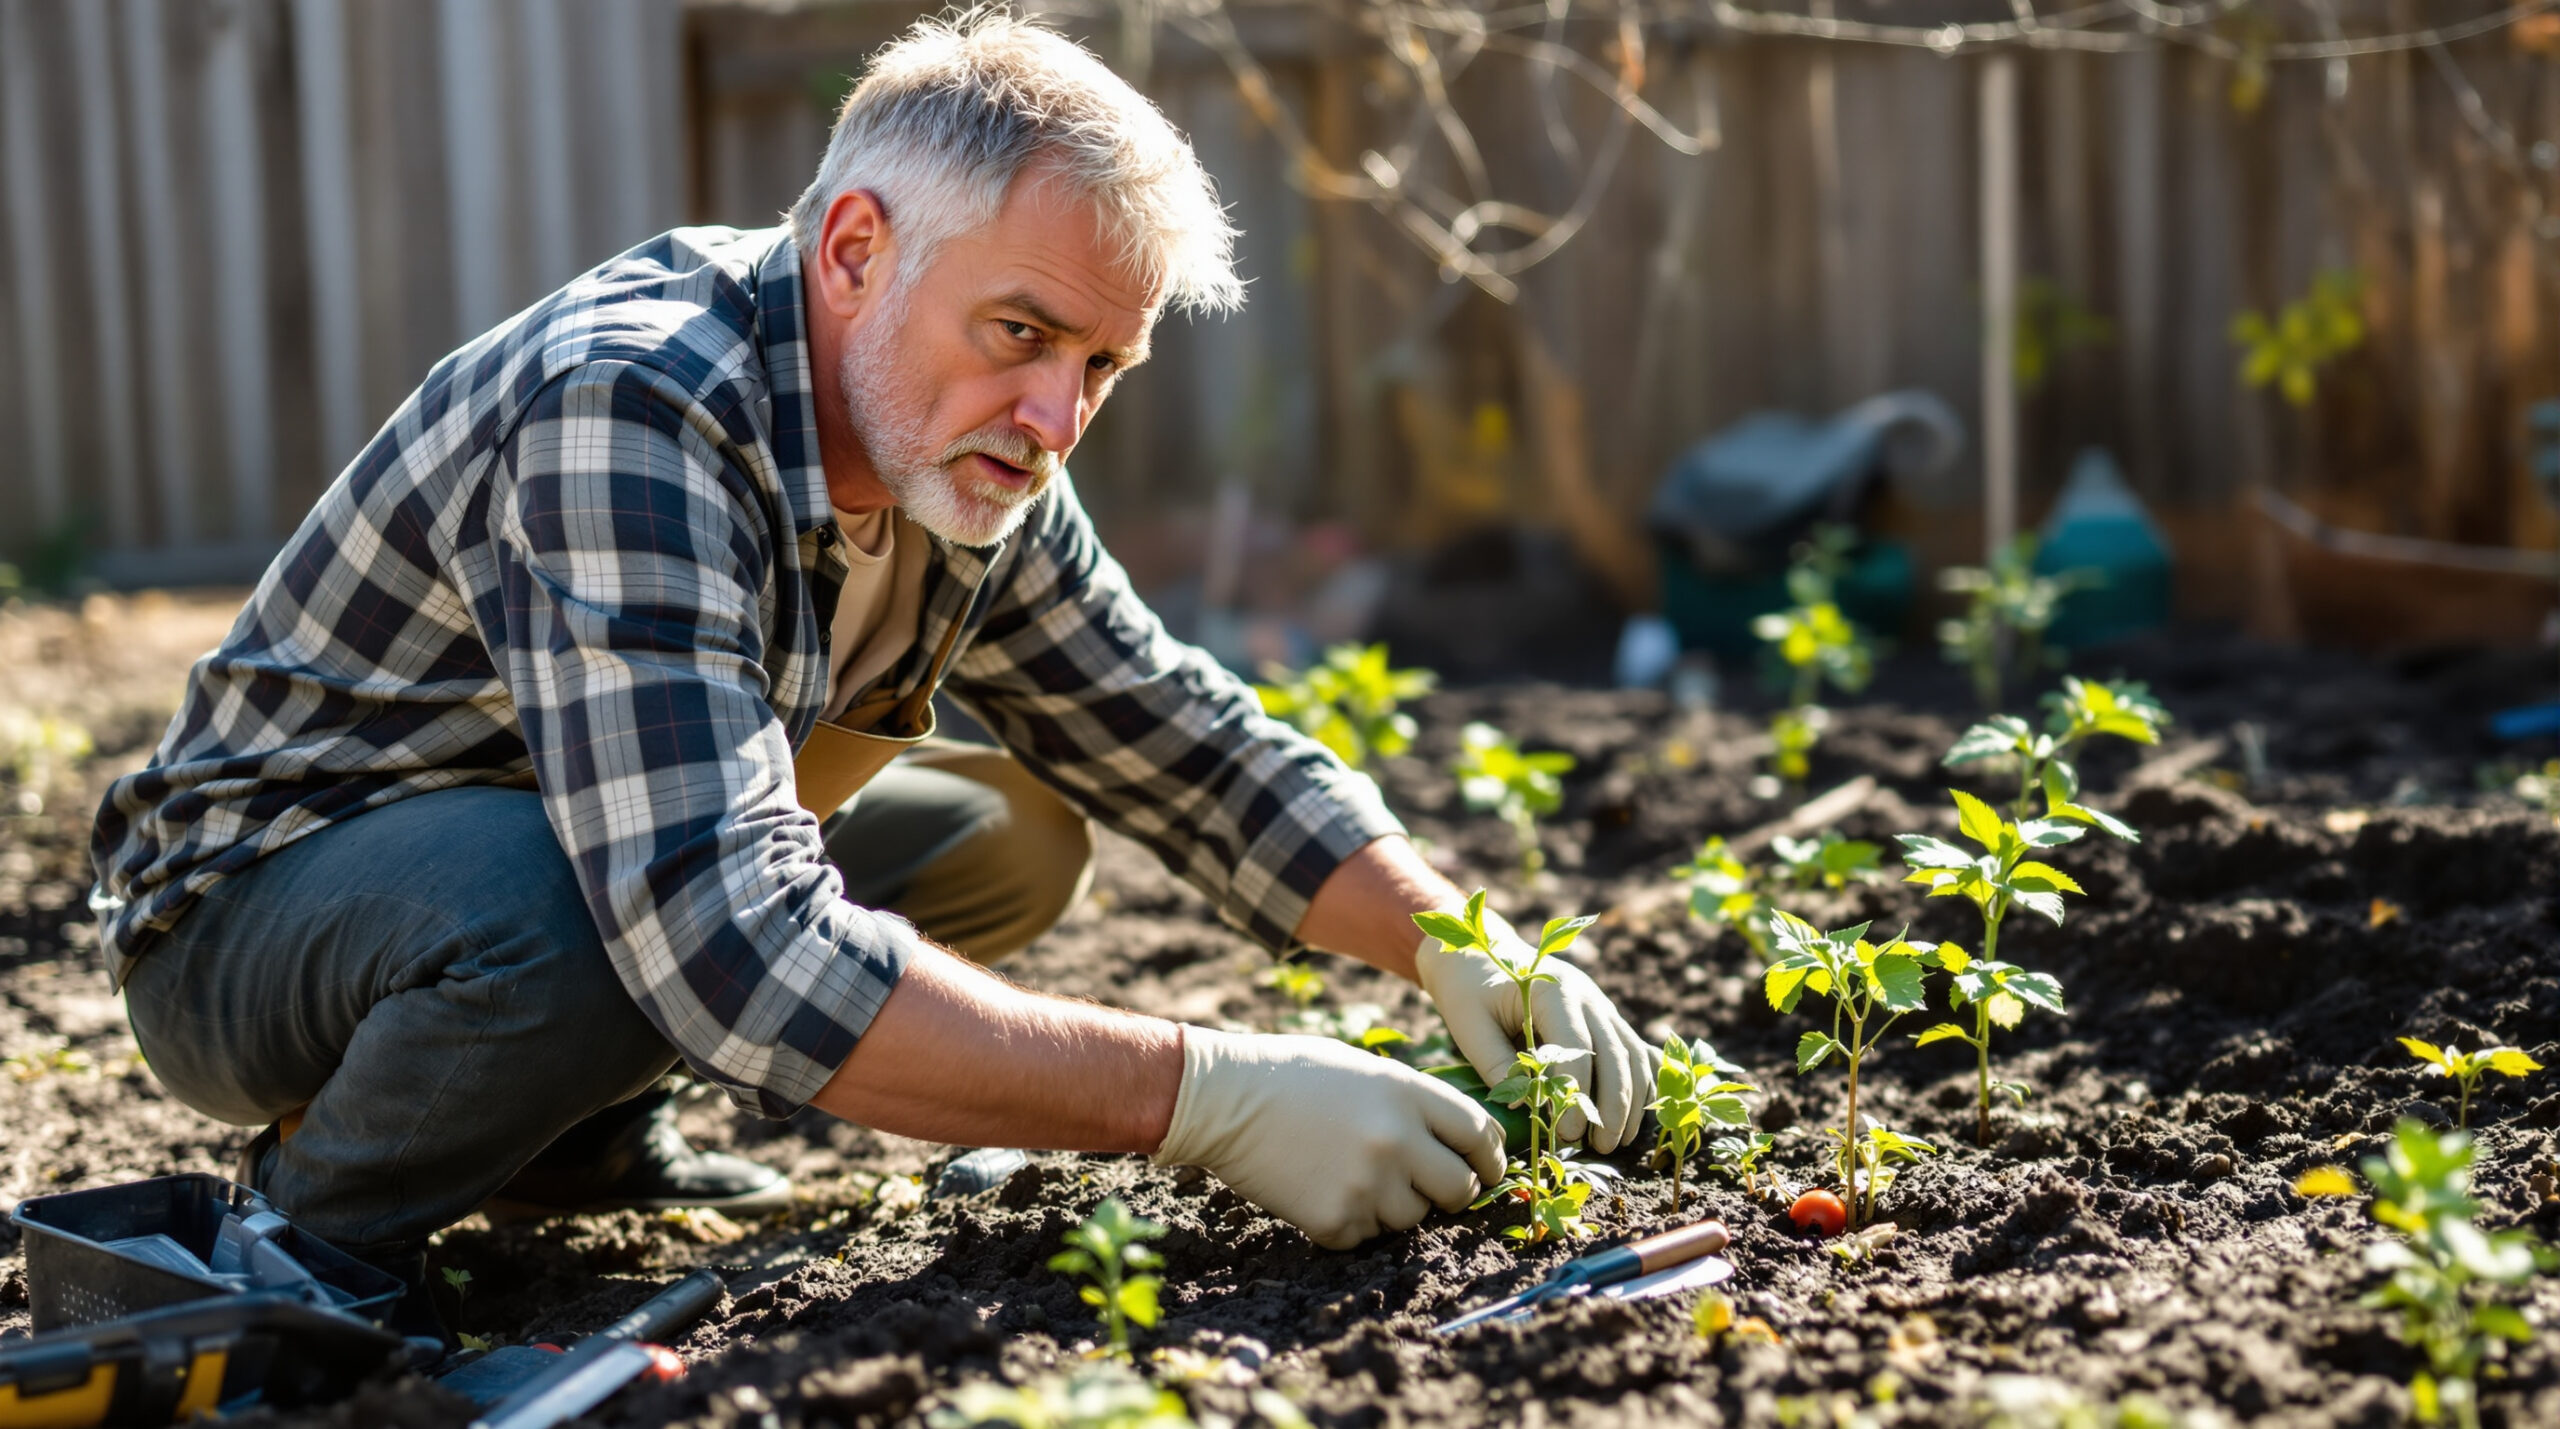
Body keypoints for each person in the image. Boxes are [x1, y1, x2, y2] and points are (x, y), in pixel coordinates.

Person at [89, 13, 1651, 1319]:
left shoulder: (953, 445)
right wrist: (1210, 1095)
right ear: (853, 249)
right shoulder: (632, 409)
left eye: (1100, 365)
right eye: (1025, 331)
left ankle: (566, 1141)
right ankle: (309, 1235)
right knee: (600, 916)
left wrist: (1463, 941)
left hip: (561, 852)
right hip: (248, 916)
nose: (1055, 415)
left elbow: (1176, 735)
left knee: (1008, 835)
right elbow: (730, 938)